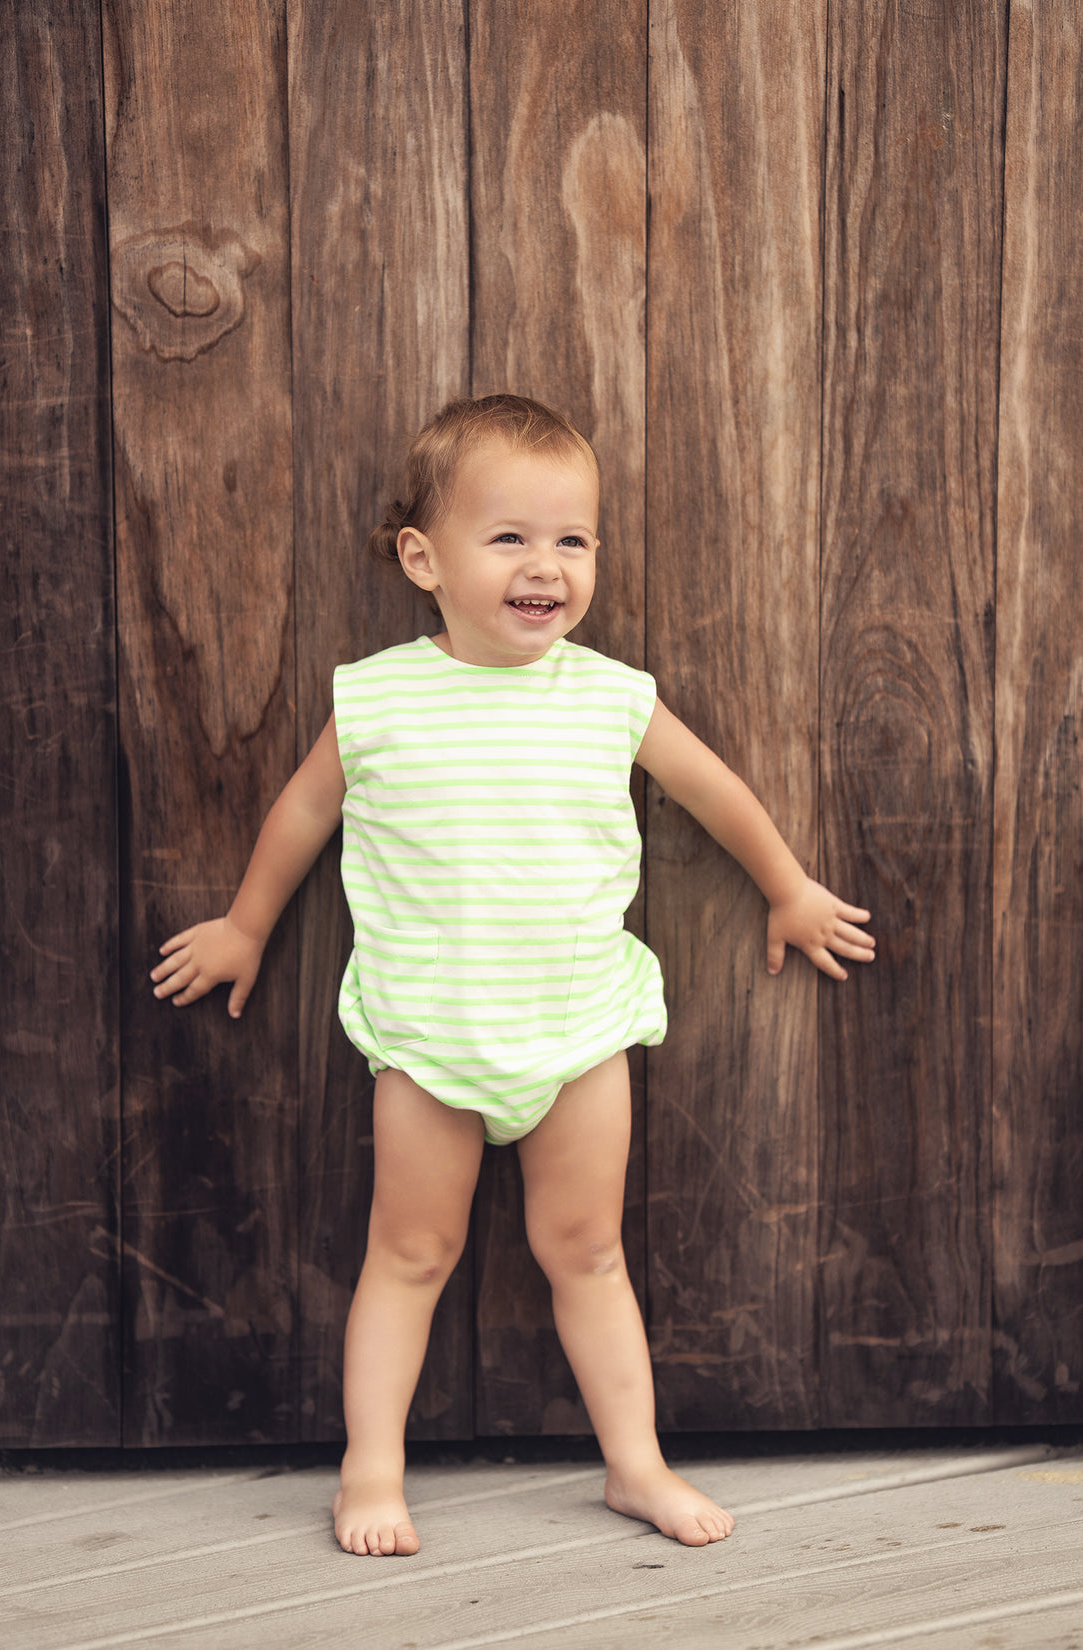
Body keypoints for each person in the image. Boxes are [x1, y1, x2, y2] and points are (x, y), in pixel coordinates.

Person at [151, 394, 874, 1558]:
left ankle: (632, 1466)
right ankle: (369, 1468)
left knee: (588, 1253)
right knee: (408, 1253)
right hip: (428, 1040)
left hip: (578, 1029)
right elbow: (300, 816)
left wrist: (785, 887)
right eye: (509, 539)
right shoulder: (378, 695)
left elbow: (714, 792)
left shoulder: (607, 695)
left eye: (571, 540)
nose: (546, 566)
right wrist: (245, 926)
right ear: (422, 558)